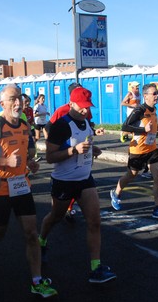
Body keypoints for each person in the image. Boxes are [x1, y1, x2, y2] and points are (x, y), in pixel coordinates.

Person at [0, 85, 57, 298]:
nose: (18, 103)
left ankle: (37, 281)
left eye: (19, 98)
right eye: (12, 99)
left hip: (22, 186)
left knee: (31, 233)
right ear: (2, 103)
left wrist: (30, 163)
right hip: (1, 188)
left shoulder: (23, 124)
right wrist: (4, 161)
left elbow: (22, 154)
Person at [38, 87, 116, 284]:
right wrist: (74, 150)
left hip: (85, 179)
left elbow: (86, 143)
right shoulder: (60, 126)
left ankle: (96, 267)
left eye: (88, 107)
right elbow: (49, 157)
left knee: (94, 221)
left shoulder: (87, 122)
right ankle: (41, 241)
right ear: (71, 104)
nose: (85, 111)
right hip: (63, 181)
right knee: (55, 216)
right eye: (82, 107)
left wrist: (93, 150)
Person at [109, 83, 158, 220]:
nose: (157, 96)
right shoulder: (139, 110)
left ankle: (157, 208)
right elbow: (125, 126)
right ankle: (116, 192)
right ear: (145, 96)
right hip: (138, 149)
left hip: (152, 148)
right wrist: (144, 131)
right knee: (132, 174)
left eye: (157, 93)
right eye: (154, 93)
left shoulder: (154, 109)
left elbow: (149, 127)